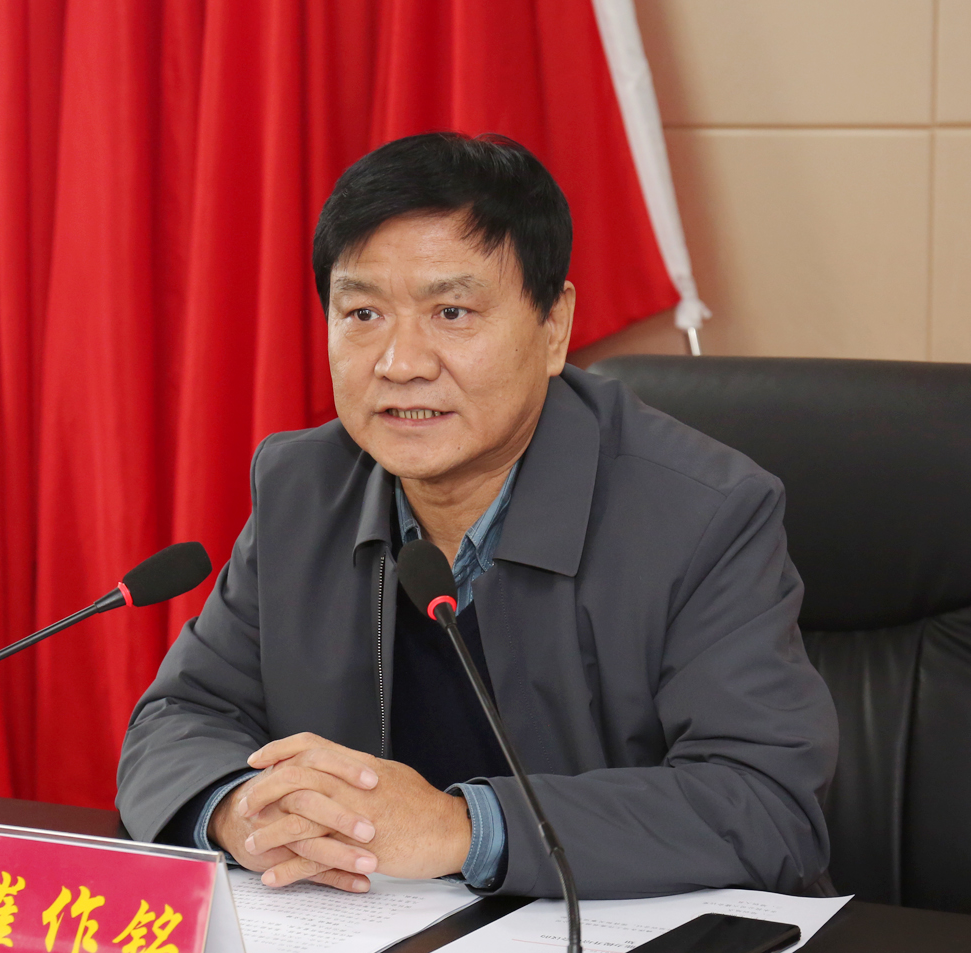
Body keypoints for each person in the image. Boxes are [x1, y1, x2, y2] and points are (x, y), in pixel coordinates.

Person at [116, 132, 838, 899]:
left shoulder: (705, 514)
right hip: (375, 948)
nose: (401, 362)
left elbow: (765, 802)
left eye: (452, 311)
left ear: (553, 327)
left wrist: (463, 828)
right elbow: (180, 717)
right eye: (362, 313)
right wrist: (240, 810)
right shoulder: (302, 487)